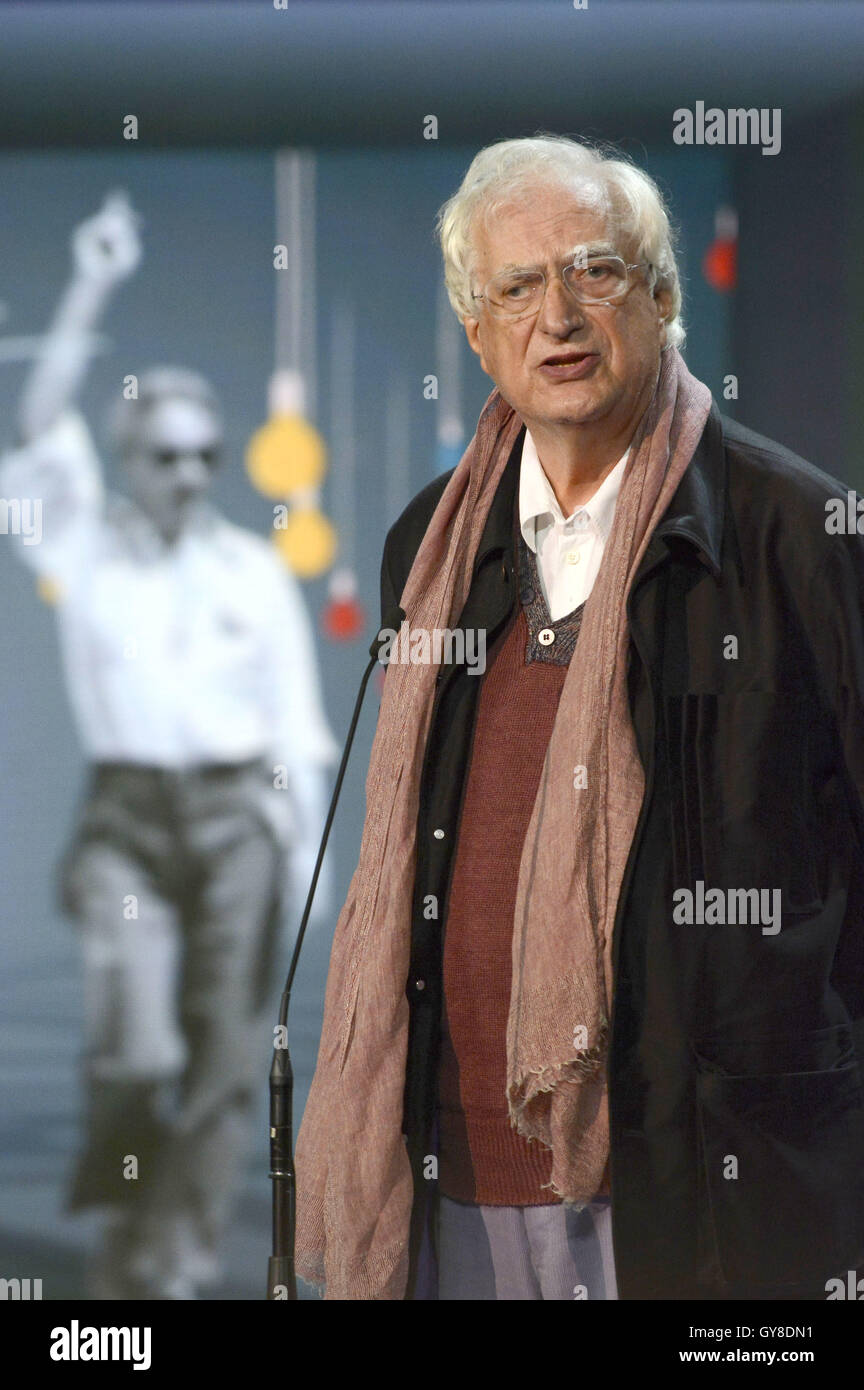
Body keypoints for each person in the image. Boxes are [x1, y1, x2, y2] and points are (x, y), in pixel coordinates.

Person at [294, 133, 864, 1302]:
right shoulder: (432, 544)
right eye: (515, 287)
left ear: (660, 297)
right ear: (477, 332)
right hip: (449, 1167)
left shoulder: (798, 535)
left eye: (594, 272)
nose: (556, 315)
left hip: (703, 1173)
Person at [0, 192, 339, 1298]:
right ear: (126, 460)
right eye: (166, 457)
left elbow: (297, 726)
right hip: (130, 826)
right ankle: (128, 1206)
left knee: (227, 1068)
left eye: (204, 457)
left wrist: (307, 856)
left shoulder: (250, 572)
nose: (190, 475)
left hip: (241, 819)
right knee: (139, 1052)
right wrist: (93, 276)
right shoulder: (79, 551)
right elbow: (36, 424)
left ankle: (166, 1268)